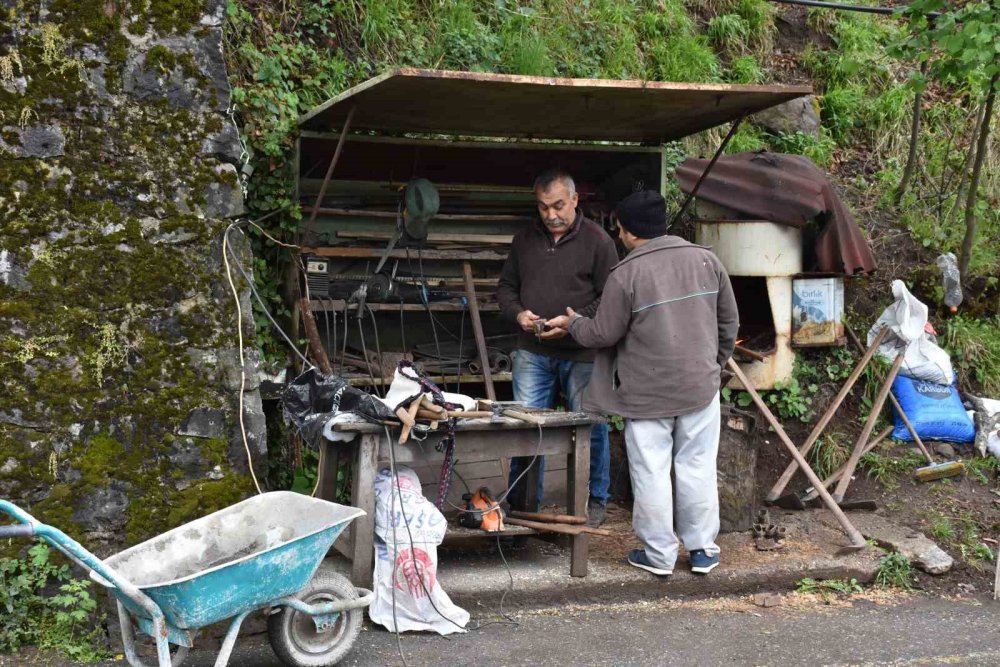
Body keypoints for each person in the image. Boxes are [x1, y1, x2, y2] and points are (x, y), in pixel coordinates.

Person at [546, 190, 739, 576]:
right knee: (697, 466)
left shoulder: (626, 274)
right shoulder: (707, 261)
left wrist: (573, 324)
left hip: (646, 394)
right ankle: (702, 551)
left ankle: (659, 555)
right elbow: (728, 324)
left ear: (627, 231)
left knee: (651, 470)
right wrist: (711, 366)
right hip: (700, 389)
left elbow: (603, 333)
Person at [496, 168, 619, 527]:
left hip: (582, 352)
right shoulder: (524, 240)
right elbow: (505, 289)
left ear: (576, 200)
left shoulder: (599, 242)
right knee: (528, 427)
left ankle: (594, 501)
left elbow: (610, 299)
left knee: (591, 428)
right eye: (543, 207)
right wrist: (519, 315)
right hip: (533, 352)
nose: (551, 215)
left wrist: (574, 322)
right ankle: (522, 506)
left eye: (558, 205)